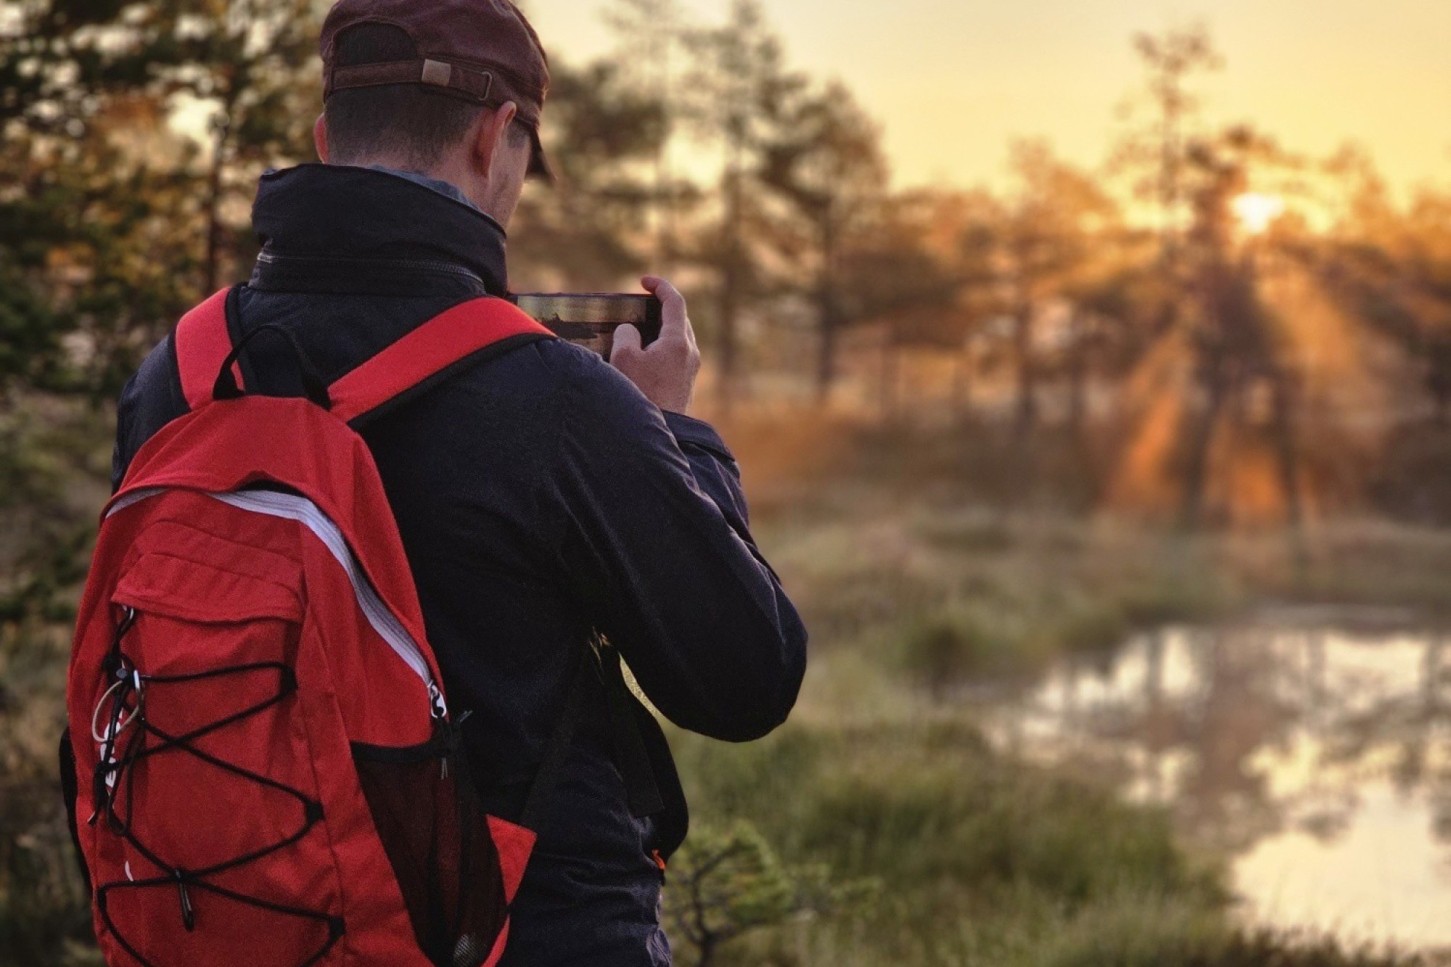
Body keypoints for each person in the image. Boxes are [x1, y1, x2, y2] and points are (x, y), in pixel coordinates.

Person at [107, 0, 808, 963]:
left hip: (231, 919)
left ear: (325, 137)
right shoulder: (550, 396)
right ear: (495, 138)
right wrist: (673, 428)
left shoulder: (178, 374)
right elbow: (746, 677)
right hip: (522, 930)